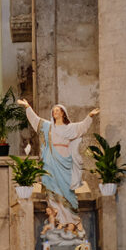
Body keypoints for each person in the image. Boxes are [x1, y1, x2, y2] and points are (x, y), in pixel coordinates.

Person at [19, 99, 99, 232]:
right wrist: (27, 107)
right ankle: (59, 221)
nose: (55, 112)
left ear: (63, 113)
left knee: (67, 192)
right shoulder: (47, 127)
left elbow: (81, 127)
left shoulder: (70, 128)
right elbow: (35, 120)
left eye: (57, 110)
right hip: (50, 163)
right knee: (52, 191)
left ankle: (72, 220)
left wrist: (89, 116)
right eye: (53, 111)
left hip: (65, 161)